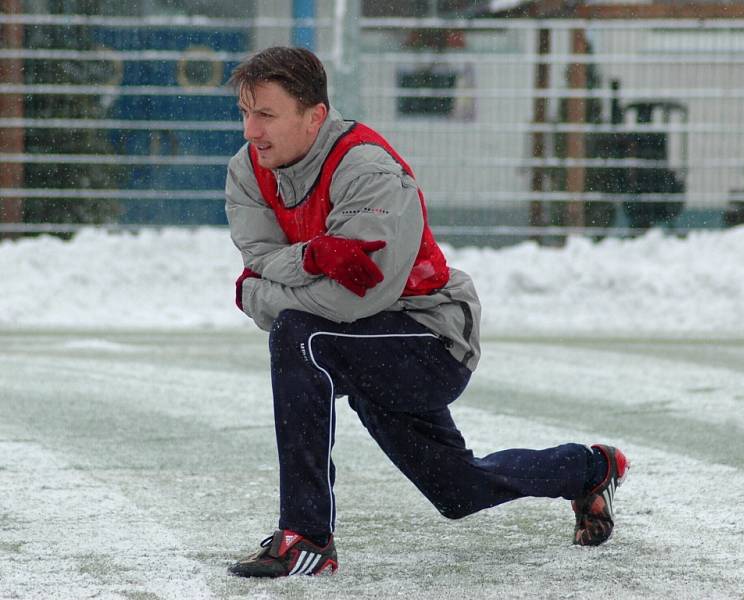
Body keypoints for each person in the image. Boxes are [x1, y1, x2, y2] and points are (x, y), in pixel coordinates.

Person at [224, 46, 629, 578]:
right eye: (246, 113)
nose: (252, 130)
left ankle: (307, 537)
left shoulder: (367, 170)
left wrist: (268, 287)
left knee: (300, 336)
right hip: (360, 350)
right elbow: (256, 267)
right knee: (458, 491)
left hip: (430, 339)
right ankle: (590, 468)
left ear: (314, 116)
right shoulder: (247, 170)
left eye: (267, 115)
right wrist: (313, 258)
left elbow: (353, 298)